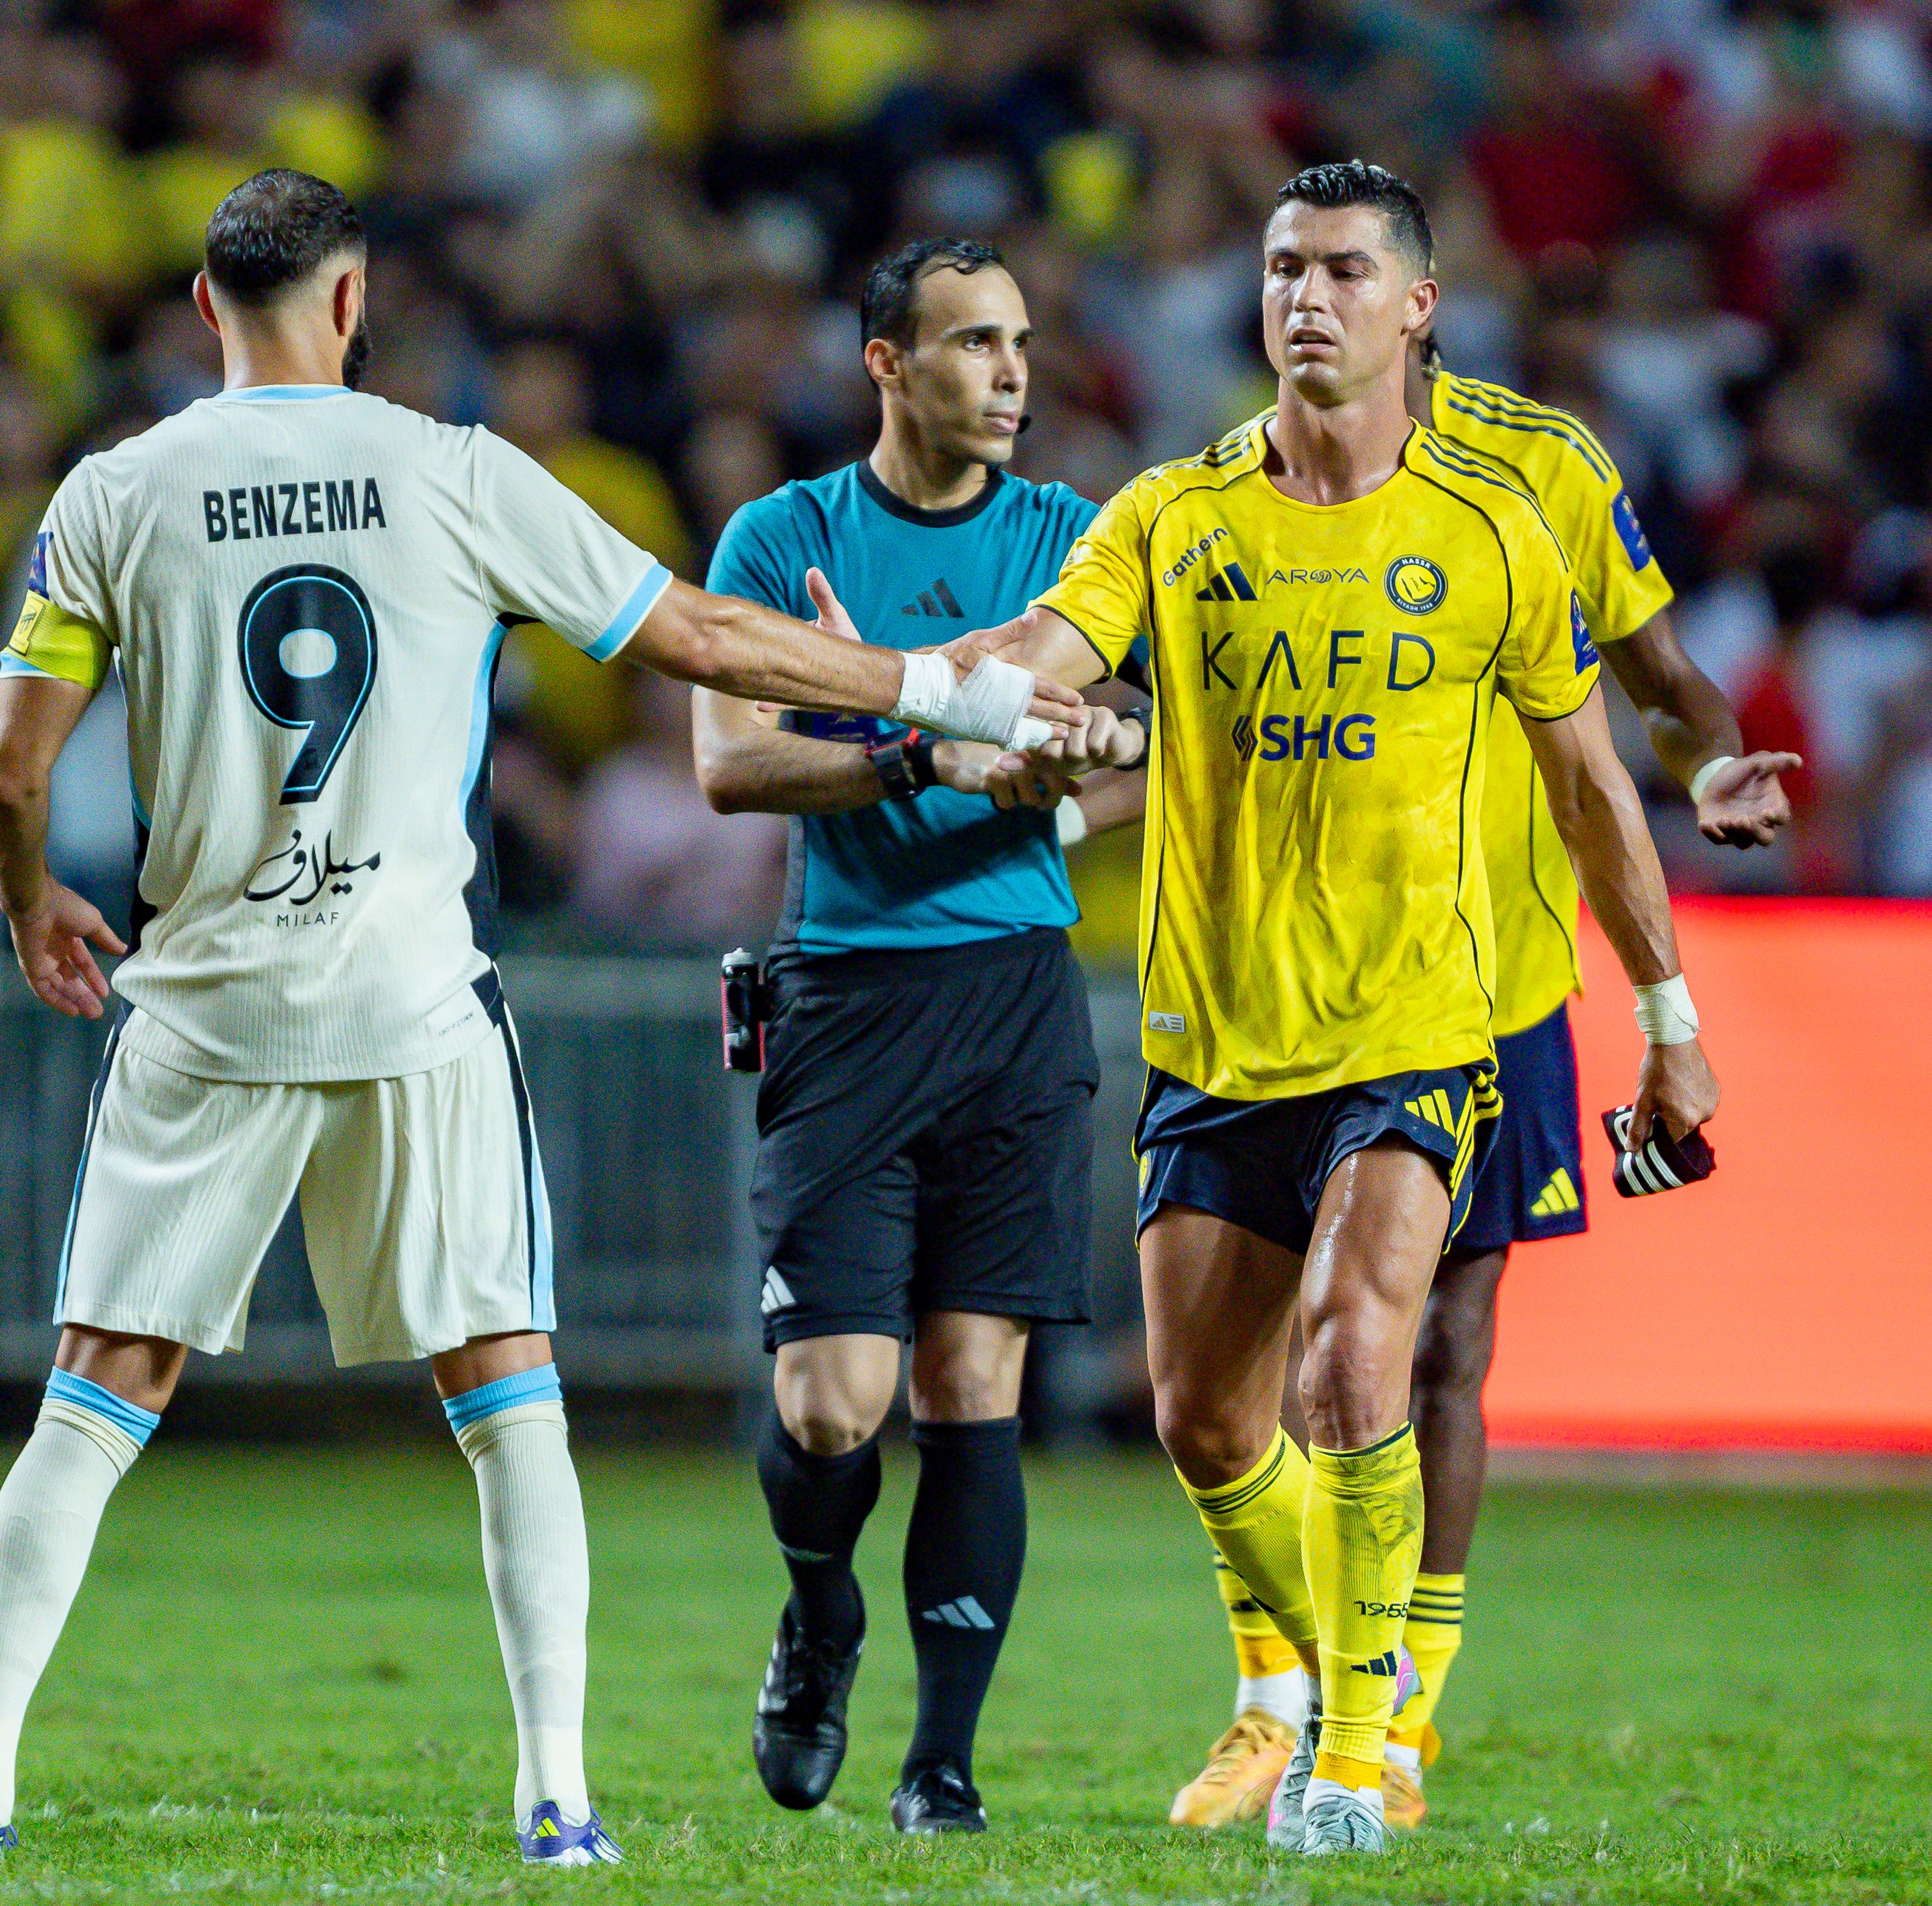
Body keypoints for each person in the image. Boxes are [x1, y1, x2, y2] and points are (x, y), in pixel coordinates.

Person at [0, 168, 1077, 1873]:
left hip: (206, 1006)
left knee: (97, 1391)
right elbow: (692, 635)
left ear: (199, 310)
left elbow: (7, 768)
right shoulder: (449, 474)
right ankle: (553, 1792)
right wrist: (937, 685)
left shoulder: (114, 493)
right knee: (505, 1391)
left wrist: (27, 898)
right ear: (354, 299)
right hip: (407, 1000)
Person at [967, 160, 1723, 1856]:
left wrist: (1667, 1014)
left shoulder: (1488, 531)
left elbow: (1596, 794)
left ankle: (1358, 1753)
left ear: (1415, 308)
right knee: (1202, 1417)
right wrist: (959, 691)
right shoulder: (1172, 515)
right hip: (1217, 1035)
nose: (1303, 296)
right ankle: (1301, 1689)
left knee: (1356, 1352)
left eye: (1339, 270)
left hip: (1418, 1030)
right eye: (1279, 268)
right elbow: (1054, 648)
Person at [1152, 336, 1797, 1832]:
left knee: (1425, 1345)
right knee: (1238, 1386)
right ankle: (1281, 1699)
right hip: (1286, 977)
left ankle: (1394, 1723)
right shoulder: (1238, 486)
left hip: (1493, 978)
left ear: (1415, 317)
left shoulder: (1546, 468)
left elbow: (1667, 680)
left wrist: (1702, 773)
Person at [691, 236, 1136, 1835]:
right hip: (849, 990)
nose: (1012, 373)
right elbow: (731, 764)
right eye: (971, 344)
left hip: (1013, 986)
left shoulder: (1073, 540)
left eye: (1020, 341)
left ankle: (941, 1766)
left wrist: (1075, 775)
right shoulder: (783, 533)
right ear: (888, 365)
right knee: (830, 1402)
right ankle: (819, 1612)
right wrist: (923, 753)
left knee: (971, 1384)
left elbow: (1148, 736)